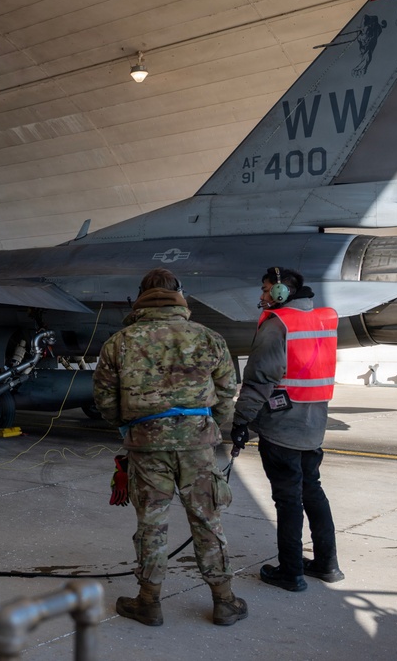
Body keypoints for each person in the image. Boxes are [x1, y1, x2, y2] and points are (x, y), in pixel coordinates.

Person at [93, 268, 247, 627]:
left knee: (151, 523)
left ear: (140, 296)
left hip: (147, 447)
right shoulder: (208, 338)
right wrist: (208, 426)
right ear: (180, 293)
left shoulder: (120, 342)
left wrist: (128, 426)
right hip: (197, 446)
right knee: (208, 520)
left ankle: (149, 602)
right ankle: (224, 601)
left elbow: (104, 397)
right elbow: (227, 391)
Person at [230, 267, 345, 592]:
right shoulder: (322, 319)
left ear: (281, 292)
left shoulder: (278, 324)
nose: (262, 296)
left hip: (282, 428)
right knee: (312, 491)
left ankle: (291, 572)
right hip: (313, 425)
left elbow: (259, 380)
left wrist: (241, 421)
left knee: (288, 500)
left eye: (266, 289)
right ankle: (326, 564)